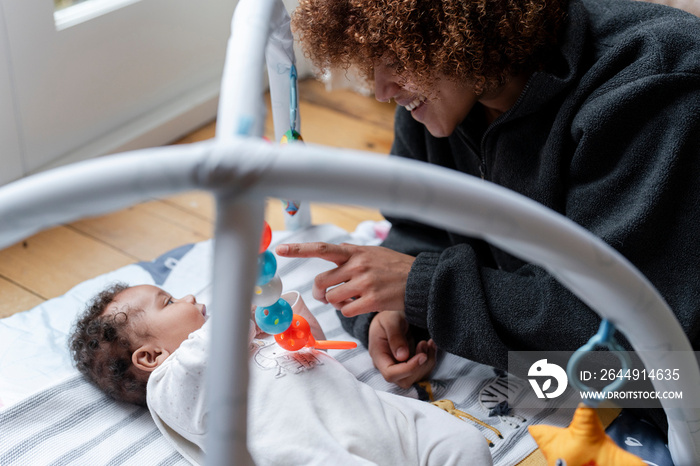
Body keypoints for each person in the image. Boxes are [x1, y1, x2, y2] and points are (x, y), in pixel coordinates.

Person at [280, 0, 700, 432]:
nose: (383, 90)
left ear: (460, 26)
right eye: (371, 67)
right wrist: (391, 310)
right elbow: (418, 230)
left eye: (395, 61)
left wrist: (424, 287)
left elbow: (642, 363)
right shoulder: (444, 92)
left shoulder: (649, 86)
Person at [69, 282, 493, 465]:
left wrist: (280, 312)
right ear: (150, 357)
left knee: (462, 443)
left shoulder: (245, 340)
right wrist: (246, 304)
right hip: (314, 453)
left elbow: (309, 343)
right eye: (168, 302)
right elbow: (211, 347)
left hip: (381, 421)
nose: (190, 295)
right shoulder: (173, 386)